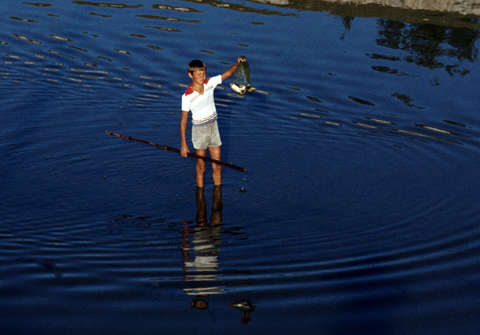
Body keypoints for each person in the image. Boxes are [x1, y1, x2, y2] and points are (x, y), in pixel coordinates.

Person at [180, 57, 246, 187]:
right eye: (198, 74)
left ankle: (217, 196)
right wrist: (183, 144)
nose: (201, 76)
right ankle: (200, 197)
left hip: (213, 128)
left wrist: (238, 64)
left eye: (203, 73)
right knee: (201, 166)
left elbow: (228, 73)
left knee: (217, 165)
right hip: (199, 132)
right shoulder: (187, 97)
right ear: (190, 75)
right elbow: (183, 122)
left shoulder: (210, 83)